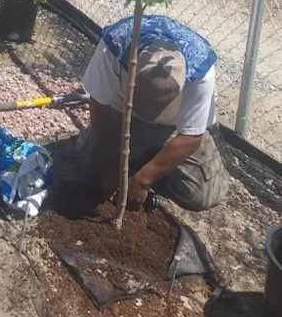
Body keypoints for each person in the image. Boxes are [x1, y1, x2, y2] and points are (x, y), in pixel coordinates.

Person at [78, 13, 229, 212]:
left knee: (203, 194)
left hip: (172, 130)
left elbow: (191, 136)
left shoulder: (201, 69)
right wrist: (110, 168)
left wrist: (143, 179)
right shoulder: (114, 46)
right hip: (123, 118)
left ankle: (146, 165)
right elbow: (99, 108)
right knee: (89, 165)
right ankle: (135, 159)